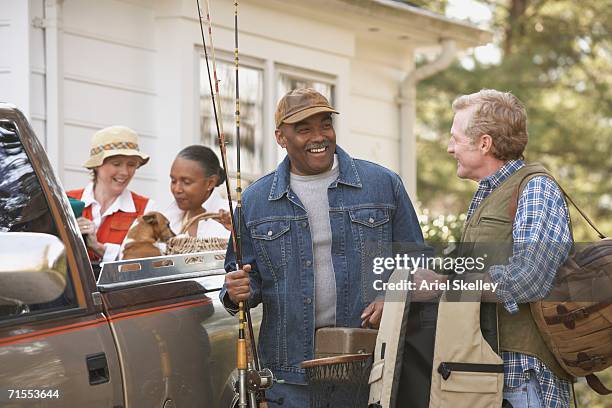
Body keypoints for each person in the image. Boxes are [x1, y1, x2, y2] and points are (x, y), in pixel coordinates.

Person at [221, 88, 425, 407]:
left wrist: (393, 295)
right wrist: (236, 291)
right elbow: (243, 281)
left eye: (325, 124)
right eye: (303, 129)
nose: (319, 136)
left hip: (365, 363)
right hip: (289, 374)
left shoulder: (382, 185)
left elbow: (414, 261)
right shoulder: (255, 202)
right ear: (280, 137)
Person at [439, 89, 572, 407]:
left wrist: (446, 285)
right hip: (489, 373)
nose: (449, 148)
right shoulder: (486, 193)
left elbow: (531, 276)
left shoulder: (536, 188)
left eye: (456, 138)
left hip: (526, 381)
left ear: (484, 143)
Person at [67, 126, 154, 265]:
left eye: (131, 164)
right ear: (97, 165)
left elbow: (142, 264)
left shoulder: (145, 209)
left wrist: (97, 247)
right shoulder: (66, 201)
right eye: (116, 164)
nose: (125, 172)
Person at [164, 145, 231, 239]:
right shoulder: (168, 217)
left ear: (210, 183)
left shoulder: (234, 215)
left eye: (186, 182)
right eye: (173, 181)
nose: (177, 189)